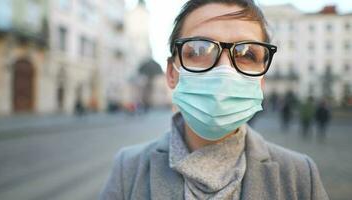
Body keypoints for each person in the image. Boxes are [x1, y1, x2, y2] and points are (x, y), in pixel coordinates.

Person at [100, 0, 328, 199]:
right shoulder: (128, 170)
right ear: (171, 73)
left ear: (261, 80)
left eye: (247, 54)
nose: (224, 71)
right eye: (199, 50)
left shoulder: (300, 175)